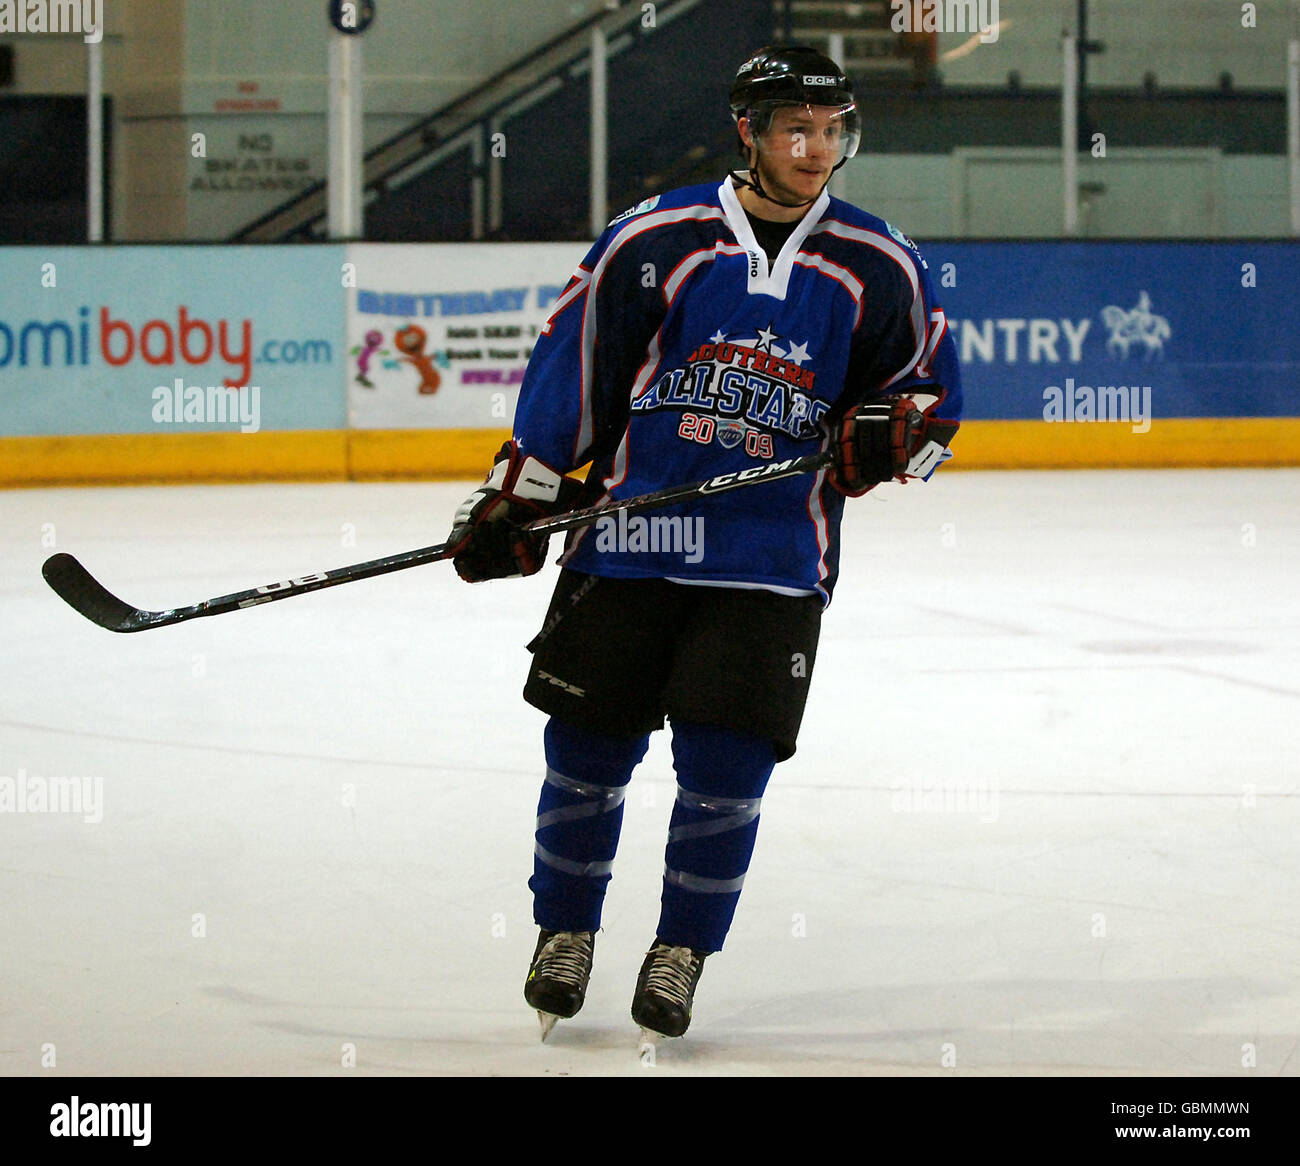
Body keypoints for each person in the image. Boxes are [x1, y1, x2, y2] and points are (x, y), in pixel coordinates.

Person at [447, 45, 963, 1041]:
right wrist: (521, 494)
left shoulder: (877, 261)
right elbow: (576, 372)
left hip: (769, 563)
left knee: (727, 767)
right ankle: (566, 930)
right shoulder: (654, 238)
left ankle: (680, 948)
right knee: (587, 749)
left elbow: (936, 413)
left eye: (831, 131)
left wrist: (897, 441)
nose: (817, 152)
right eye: (795, 131)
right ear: (749, 132)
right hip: (631, 543)